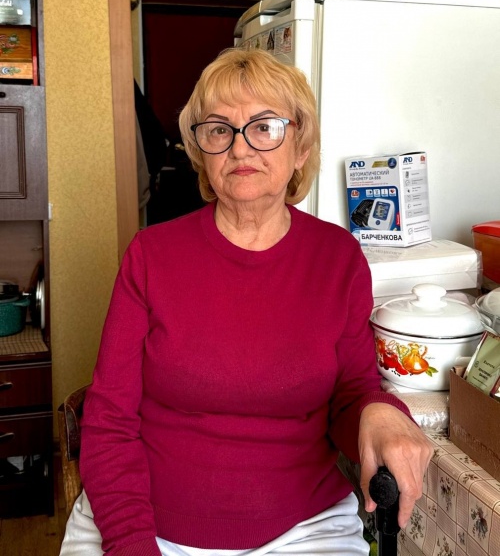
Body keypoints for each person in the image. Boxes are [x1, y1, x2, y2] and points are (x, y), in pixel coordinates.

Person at [60, 48, 433, 556]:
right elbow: (109, 421)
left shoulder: (338, 258)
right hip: (145, 523)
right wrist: (131, 544)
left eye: (265, 127)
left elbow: (350, 395)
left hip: (304, 528)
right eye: (219, 130)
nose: (240, 148)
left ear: (300, 148)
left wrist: (379, 413)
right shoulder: (151, 256)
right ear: (201, 152)